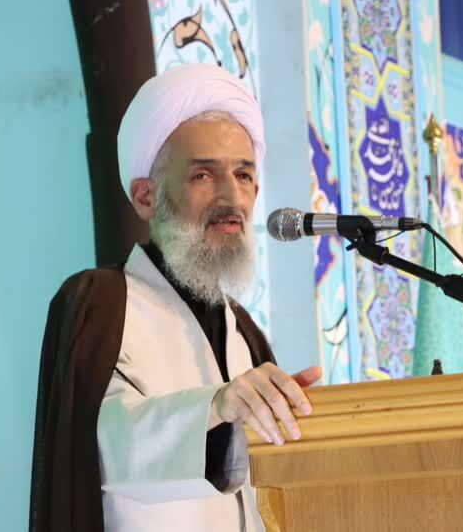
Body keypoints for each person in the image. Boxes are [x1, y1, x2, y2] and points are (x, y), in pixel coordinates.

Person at [29, 63, 321, 532]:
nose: (231, 197)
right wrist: (217, 406)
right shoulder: (101, 304)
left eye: (244, 175)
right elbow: (105, 448)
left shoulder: (246, 333)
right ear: (146, 197)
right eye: (203, 174)